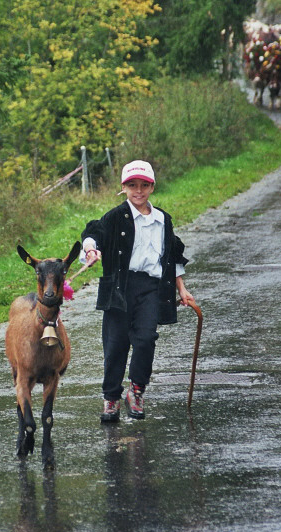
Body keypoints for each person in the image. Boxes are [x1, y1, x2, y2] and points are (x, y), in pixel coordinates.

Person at [80, 160, 194, 423]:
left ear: (152, 187)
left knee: (145, 339)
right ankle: (111, 398)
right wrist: (91, 250)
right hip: (119, 289)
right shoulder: (115, 217)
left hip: (151, 289)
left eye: (144, 185)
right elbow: (93, 232)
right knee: (115, 344)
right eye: (133, 185)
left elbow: (172, 256)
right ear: (123, 187)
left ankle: (137, 391)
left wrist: (183, 289)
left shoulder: (162, 220)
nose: (138, 191)